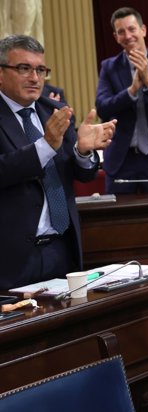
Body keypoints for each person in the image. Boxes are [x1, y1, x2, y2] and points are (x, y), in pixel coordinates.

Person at [0, 34, 116, 289]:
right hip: (11, 258)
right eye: (24, 68)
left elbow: (80, 174)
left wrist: (83, 151)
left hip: (61, 248)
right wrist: (45, 146)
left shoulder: (54, 110)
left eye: (40, 70)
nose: (35, 78)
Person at [95, 7, 148, 194]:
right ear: (116, 37)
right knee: (120, 213)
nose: (127, 36)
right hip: (122, 158)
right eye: (121, 32)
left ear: (143, 30)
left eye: (132, 29)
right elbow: (102, 108)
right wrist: (131, 90)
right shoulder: (109, 67)